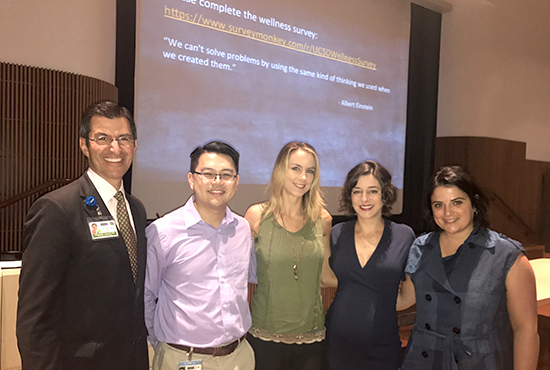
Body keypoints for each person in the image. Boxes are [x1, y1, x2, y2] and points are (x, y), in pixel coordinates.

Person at [16, 101, 149, 369]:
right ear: (84, 145)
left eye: (124, 138)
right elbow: (35, 315)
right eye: (103, 138)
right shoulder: (57, 209)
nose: (115, 148)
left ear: (134, 145)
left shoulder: (135, 208)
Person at [400, 166, 539, 369]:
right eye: (439, 205)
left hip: (479, 362)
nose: (448, 212)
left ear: (474, 204)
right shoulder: (421, 247)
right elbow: (405, 298)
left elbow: (525, 329)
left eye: (457, 202)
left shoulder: (506, 254)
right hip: (424, 359)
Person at [145, 140, 255, 370]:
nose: (217, 182)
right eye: (208, 174)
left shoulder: (243, 229)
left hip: (239, 356)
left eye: (226, 175)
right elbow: (146, 296)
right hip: (183, 358)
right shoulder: (164, 231)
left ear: (236, 182)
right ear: (191, 179)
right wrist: (161, 346)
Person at [244, 141, 333, 370]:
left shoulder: (322, 219)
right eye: (296, 168)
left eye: (310, 171)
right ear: (280, 170)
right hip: (265, 336)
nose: (303, 177)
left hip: (311, 338)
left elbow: (326, 277)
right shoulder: (256, 216)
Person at [324, 160, 415, 369]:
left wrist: (378, 307)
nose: (364, 199)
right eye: (357, 191)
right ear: (350, 196)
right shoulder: (338, 233)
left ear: (385, 194)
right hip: (338, 343)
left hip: (382, 345)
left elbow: (409, 296)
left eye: (372, 191)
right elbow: (329, 278)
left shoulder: (404, 235)